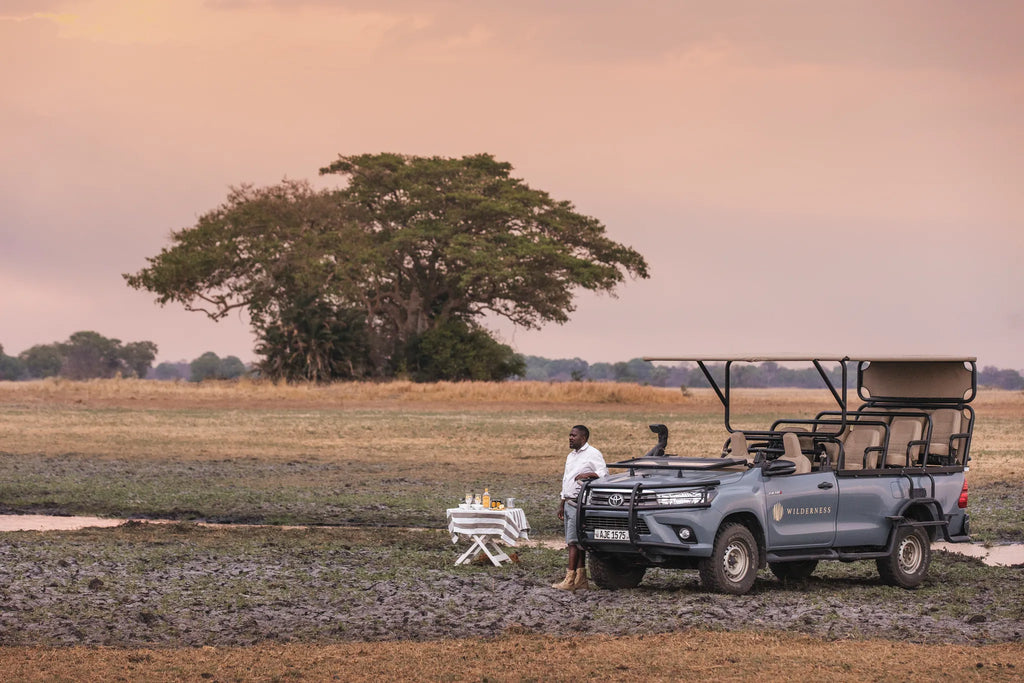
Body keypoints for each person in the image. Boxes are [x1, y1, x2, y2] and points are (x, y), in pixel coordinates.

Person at [551, 424, 607, 591]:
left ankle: (569, 579)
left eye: (574, 435)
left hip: (579, 503)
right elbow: (566, 480)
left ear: (583, 438)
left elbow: (604, 474)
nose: (570, 438)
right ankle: (581, 578)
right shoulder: (571, 456)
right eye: (570, 435)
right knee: (575, 541)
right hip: (568, 502)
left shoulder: (593, 454)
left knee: (573, 542)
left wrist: (588, 475)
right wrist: (561, 503)